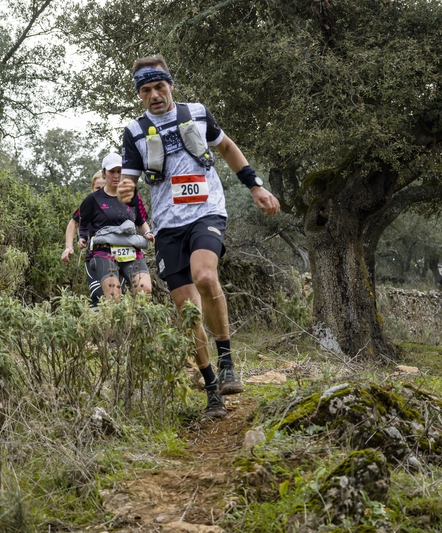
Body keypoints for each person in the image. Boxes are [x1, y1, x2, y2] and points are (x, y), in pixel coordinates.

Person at [117, 55, 280, 419]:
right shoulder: (134, 132)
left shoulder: (197, 113)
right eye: (146, 90)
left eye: (160, 87)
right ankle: (211, 391)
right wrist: (125, 190)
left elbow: (226, 147)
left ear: (170, 85)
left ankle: (227, 363)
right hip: (167, 224)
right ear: (140, 94)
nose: (155, 95)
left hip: (207, 210)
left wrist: (255, 186)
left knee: (206, 276)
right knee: (188, 310)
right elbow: (127, 182)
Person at [62, 153, 154, 306]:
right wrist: (70, 246)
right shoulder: (93, 199)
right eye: (112, 172)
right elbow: (76, 222)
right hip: (104, 252)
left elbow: (141, 222)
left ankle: (134, 326)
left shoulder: (133, 197)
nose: (116, 176)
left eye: (120, 171)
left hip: (130, 251)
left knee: (145, 290)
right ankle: (112, 329)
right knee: (113, 296)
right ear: (104, 173)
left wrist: (148, 233)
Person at [63, 170, 106, 254]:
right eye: (97, 188)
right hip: (97, 251)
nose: (101, 191)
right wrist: (81, 238)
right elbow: (80, 223)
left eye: (104, 187)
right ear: (92, 188)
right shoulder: (90, 202)